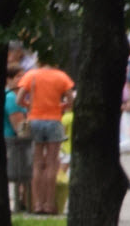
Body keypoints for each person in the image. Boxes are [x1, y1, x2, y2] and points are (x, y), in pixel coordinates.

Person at [17, 56, 76, 215]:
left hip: (34, 120)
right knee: (51, 163)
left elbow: (19, 99)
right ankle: (49, 204)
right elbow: (70, 100)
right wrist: (61, 106)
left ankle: (37, 204)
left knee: (37, 163)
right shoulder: (61, 77)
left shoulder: (31, 75)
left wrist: (30, 105)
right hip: (54, 121)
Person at [4, 64, 32, 213]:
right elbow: (19, 126)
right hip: (14, 142)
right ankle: (21, 204)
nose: (22, 79)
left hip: (11, 142)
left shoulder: (11, 96)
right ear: (9, 79)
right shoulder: (11, 99)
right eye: (18, 76)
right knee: (20, 174)